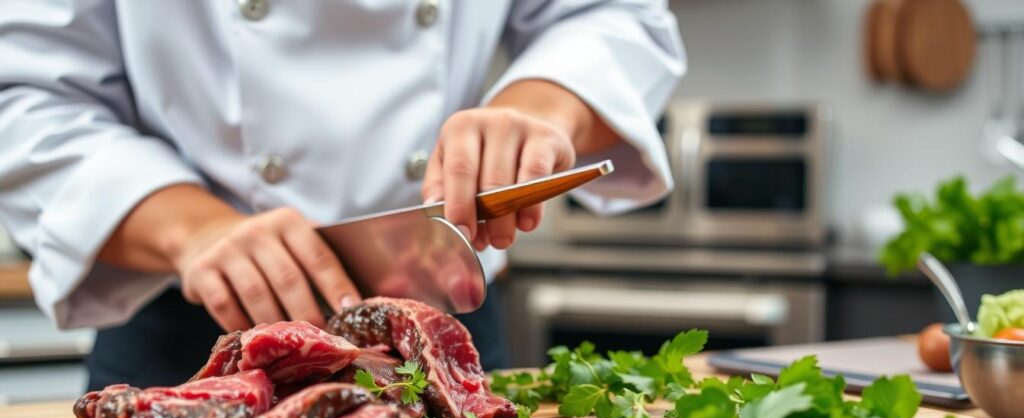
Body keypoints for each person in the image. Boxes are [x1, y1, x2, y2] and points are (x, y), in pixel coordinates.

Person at [0, 1, 684, 389]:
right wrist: (193, 229)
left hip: (444, 314)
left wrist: (541, 106)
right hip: (184, 334)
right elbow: (24, 91)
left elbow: (613, 17)